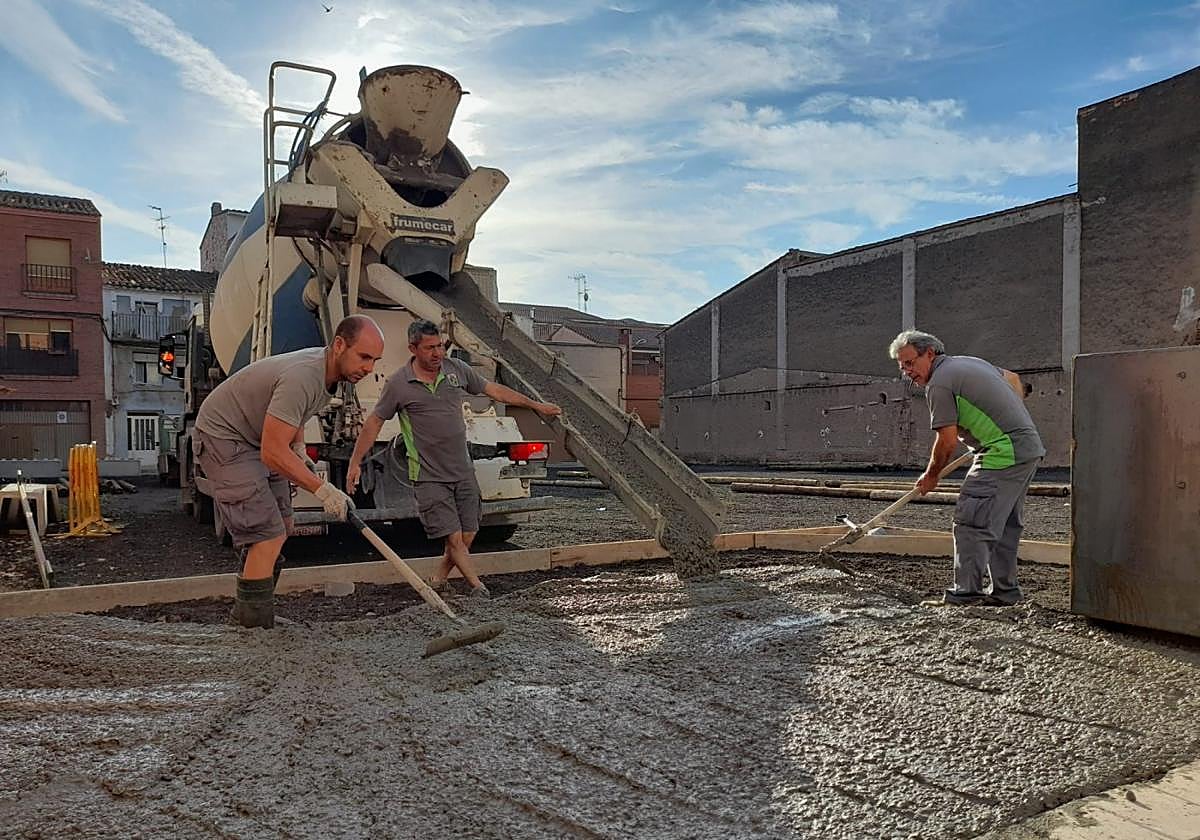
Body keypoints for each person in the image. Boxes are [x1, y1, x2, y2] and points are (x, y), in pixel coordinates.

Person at [347, 319, 562, 597]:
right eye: (429, 348)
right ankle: (478, 587)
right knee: (453, 537)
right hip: (428, 475)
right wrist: (355, 462)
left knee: (469, 533)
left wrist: (535, 405)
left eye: (440, 346)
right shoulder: (399, 384)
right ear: (413, 348)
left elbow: (492, 390)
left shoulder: (456, 370)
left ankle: (438, 578)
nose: (437, 353)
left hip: (462, 470)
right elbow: (374, 423)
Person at [195, 314, 385, 627]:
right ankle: (253, 626)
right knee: (265, 535)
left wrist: (298, 449)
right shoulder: (304, 376)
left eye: (375, 360)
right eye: (364, 357)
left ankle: (253, 609)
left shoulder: (328, 375)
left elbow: (293, 412)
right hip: (225, 437)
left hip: (256, 436)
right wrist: (323, 490)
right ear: (339, 345)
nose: (369, 369)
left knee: (282, 524)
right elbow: (272, 452)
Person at [888, 329, 1045, 607]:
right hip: (1026, 448)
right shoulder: (970, 363)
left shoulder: (939, 383)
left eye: (910, 363)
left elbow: (946, 440)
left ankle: (966, 595)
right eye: (902, 367)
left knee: (972, 522)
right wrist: (1007, 414)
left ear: (930, 354)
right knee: (1004, 525)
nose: (907, 372)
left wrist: (931, 476)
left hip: (1001, 453)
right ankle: (1005, 593)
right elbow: (1013, 379)